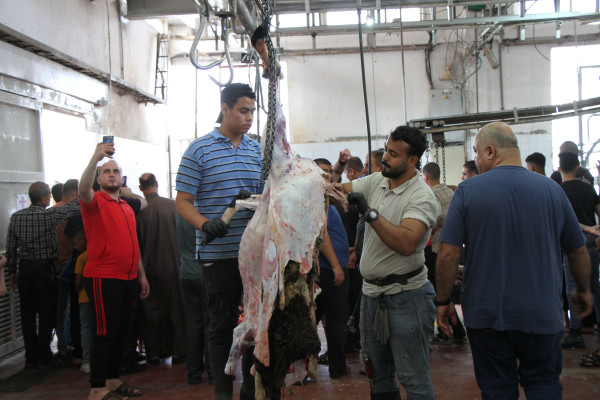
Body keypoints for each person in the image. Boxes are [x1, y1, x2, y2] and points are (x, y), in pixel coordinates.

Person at [436, 122, 593, 399]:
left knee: (497, 390)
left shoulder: (468, 191)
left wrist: (443, 301)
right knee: (544, 385)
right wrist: (582, 290)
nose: (476, 159)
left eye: (476, 152)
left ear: (490, 151)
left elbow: (449, 253)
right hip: (541, 315)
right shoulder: (552, 190)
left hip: (487, 316)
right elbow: (577, 250)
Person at [336, 126, 438, 400]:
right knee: (378, 378)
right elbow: (337, 190)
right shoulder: (377, 181)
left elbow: (406, 243)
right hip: (372, 295)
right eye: (386, 151)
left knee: (414, 380)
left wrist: (369, 213)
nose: (385, 158)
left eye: (393, 154)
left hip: (407, 297)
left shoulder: (421, 196)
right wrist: (334, 171)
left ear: (412, 160)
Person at [175, 82, 262, 400]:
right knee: (221, 324)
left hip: (253, 254)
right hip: (219, 253)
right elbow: (183, 201)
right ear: (225, 109)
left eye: (252, 111)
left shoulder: (257, 150)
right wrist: (205, 224)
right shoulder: (199, 150)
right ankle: (223, 392)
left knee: (253, 325)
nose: (249, 118)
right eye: (243, 111)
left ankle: (250, 391)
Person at [79, 141, 150, 400]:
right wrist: (96, 157)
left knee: (121, 332)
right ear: (98, 179)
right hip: (103, 277)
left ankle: (112, 379)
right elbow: (83, 188)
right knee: (104, 333)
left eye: (116, 171)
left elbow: (142, 209)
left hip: (128, 277)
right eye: (106, 172)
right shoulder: (94, 202)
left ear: (122, 178)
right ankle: (97, 387)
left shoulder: (125, 207)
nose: (111, 175)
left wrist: (141, 275)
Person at [6, 181, 80, 369]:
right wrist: (86, 189)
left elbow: (11, 247)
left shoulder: (16, 217)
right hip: (45, 269)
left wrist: (13, 271)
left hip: (25, 269)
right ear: (44, 198)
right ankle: (44, 355)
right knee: (47, 312)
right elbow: (73, 206)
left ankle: (30, 357)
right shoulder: (48, 215)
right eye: (48, 195)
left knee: (28, 314)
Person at [136, 173, 186, 365]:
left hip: (147, 270)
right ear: (157, 183)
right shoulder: (174, 206)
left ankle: (154, 353)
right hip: (174, 266)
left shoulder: (138, 211)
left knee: (152, 312)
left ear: (140, 188)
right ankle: (179, 351)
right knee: (176, 310)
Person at [558, 152, 600, 349]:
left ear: (559, 168)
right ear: (577, 167)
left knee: (572, 289)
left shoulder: (558, 191)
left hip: (571, 246)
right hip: (592, 244)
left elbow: (565, 220)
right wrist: (593, 230)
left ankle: (575, 333)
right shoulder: (588, 188)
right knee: (594, 288)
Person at [313, 158, 350, 378]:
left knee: (337, 319)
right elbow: (322, 234)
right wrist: (336, 265)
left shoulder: (327, 197)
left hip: (336, 267)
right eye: (323, 172)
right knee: (321, 318)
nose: (327, 176)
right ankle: (307, 368)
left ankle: (338, 366)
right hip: (327, 269)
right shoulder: (315, 199)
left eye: (329, 172)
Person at [422, 162, 466, 344]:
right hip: (450, 247)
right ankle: (455, 329)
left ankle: (447, 329)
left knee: (436, 291)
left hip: (435, 250)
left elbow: (433, 220)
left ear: (426, 177)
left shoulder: (432, 195)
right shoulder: (450, 192)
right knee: (442, 292)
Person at [177, 213, 211, 384]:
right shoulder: (204, 211)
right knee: (211, 324)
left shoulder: (180, 212)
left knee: (193, 323)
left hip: (187, 272)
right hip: (205, 272)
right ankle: (213, 372)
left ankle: (194, 372)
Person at [54, 178, 81, 363]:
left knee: (59, 307)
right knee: (74, 307)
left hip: (54, 265)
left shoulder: (50, 213)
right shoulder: (73, 213)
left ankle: (62, 344)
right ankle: (74, 343)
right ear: (74, 194)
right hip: (70, 264)